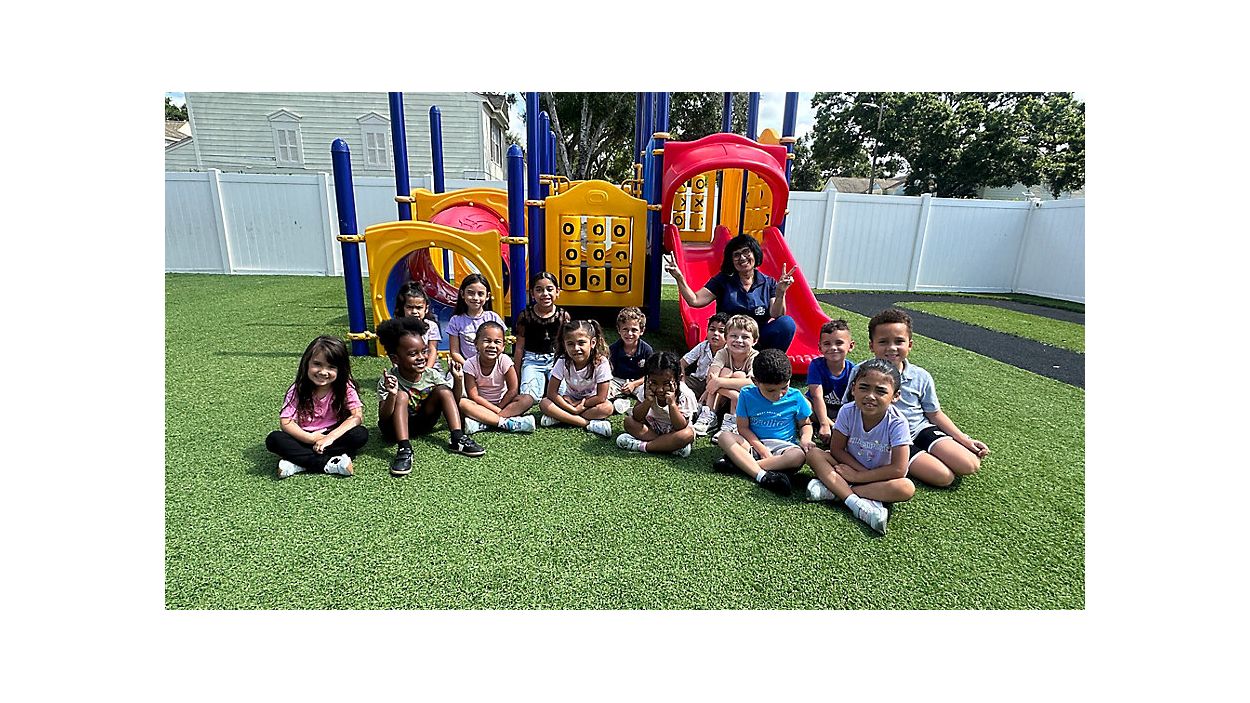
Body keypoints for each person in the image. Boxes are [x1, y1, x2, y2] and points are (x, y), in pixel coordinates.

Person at [842, 308, 989, 487]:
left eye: (899, 341)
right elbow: (849, 406)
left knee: (969, 464)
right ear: (871, 345)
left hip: (919, 429)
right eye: (883, 342)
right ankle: (903, 460)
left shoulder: (920, 376)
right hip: (890, 439)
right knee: (944, 477)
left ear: (910, 344)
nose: (891, 348)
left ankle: (928, 453)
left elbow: (934, 413)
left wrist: (963, 439)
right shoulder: (861, 371)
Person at [805, 358, 915, 534]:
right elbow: (837, 449)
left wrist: (859, 476)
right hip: (847, 468)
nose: (870, 396)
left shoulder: (898, 423)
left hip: (878, 478)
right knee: (814, 454)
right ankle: (856, 504)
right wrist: (854, 472)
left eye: (881, 391)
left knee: (906, 488)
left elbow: (898, 469)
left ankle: (835, 491)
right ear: (853, 388)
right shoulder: (847, 411)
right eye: (864, 387)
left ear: (895, 396)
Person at [377, 316, 485, 477]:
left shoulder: (431, 374)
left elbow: (453, 400)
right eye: (413, 354)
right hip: (393, 429)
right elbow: (384, 417)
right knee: (401, 395)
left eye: (424, 351)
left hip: (423, 424)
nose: (421, 357)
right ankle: (404, 448)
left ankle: (457, 438)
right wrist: (392, 395)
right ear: (395, 359)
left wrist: (458, 379)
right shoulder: (390, 380)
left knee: (443, 390)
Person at [664, 233, 798, 351]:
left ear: (755, 253)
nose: (742, 258)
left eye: (746, 252)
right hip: (729, 338)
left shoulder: (768, 282)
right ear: (731, 260)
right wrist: (679, 277)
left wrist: (780, 293)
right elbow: (695, 300)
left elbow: (777, 314)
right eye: (736, 255)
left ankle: (768, 362)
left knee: (786, 323)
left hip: (757, 337)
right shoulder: (723, 280)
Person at [712, 348, 814, 497]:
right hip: (752, 445)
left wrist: (805, 439)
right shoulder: (747, 394)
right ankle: (762, 475)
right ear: (755, 382)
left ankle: (740, 464)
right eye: (771, 390)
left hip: (783, 448)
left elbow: (805, 424)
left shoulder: (796, 397)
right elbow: (743, 428)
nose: (779, 395)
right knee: (724, 437)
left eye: (784, 387)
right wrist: (762, 450)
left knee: (798, 456)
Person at [265, 336, 369, 478]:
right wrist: (312, 438)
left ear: (340, 369)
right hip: (303, 437)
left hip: (333, 438)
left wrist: (330, 437)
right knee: (274, 439)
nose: (323, 372)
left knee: (359, 434)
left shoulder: (345, 387)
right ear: (307, 363)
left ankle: (298, 462)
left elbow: (356, 416)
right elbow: (286, 422)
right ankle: (329, 463)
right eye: (317, 364)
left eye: (331, 367)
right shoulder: (298, 389)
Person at [539, 319, 614, 437]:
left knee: (607, 408)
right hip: (569, 400)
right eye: (570, 344)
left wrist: (580, 405)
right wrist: (572, 408)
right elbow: (551, 393)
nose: (576, 348)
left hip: (591, 402)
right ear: (564, 345)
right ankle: (587, 424)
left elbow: (601, 397)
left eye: (581, 343)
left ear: (592, 343)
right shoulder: (563, 361)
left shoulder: (601, 362)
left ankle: (560, 417)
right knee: (544, 403)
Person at [459, 321, 537, 435]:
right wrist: (496, 410)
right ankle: (506, 422)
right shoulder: (470, 364)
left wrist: (500, 407)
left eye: (497, 342)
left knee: (527, 399)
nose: (492, 346)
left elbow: (513, 390)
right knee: (463, 403)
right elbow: (474, 396)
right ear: (476, 344)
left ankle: (485, 423)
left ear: (503, 346)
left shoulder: (504, 360)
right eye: (487, 341)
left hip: (504, 404)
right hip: (481, 406)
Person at [615, 351, 698, 458]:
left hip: (674, 432)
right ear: (647, 378)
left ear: (678, 379)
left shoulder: (685, 394)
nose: (660, 389)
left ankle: (643, 446)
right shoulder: (646, 389)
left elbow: (680, 426)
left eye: (666, 383)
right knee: (629, 422)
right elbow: (637, 417)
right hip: (652, 429)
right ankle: (667, 446)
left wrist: (672, 404)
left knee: (687, 434)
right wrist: (647, 401)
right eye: (654, 383)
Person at [512, 272, 571, 404]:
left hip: (556, 360)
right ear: (532, 293)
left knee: (564, 395)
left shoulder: (563, 316)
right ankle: (540, 386)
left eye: (549, 289)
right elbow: (519, 348)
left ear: (557, 291)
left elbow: (567, 345)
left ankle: (548, 388)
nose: (545, 294)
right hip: (532, 360)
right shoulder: (525, 316)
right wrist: (517, 376)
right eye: (539, 290)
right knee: (529, 397)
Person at [706, 314, 760, 442]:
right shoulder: (723, 352)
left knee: (739, 375)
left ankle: (733, 422)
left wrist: (719, 382)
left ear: (754, 341)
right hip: (724, 398)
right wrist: (733, 395)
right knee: (725, 371)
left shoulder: (755, 357)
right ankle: (709, 414)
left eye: (745, 337)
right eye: (734, 336)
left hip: (747, 403)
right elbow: (711, 378)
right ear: (726, 338)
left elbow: (752, 384)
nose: (739, 340)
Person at [393, 281, 454, 395]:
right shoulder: (398, 328)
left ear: (426, 309)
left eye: (419, 308)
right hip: (407, 368)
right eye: (409, 307)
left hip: (430, 367)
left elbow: (432, 350)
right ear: (402, 308)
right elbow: (395, 354)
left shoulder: (431, 326)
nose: (414, 312)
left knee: (444, 389)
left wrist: (426, 370)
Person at [807, 319, 857, 445]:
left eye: (839, 343)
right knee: (802, 403)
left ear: (851, 346)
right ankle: (831, 427)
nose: (833, 348)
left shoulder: (854, 370)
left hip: (841, 411)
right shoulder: (816, 365)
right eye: (827, 344)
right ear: (820, 347)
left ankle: (836, 427)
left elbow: (854, 401)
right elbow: (817, 396)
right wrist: (824, 424)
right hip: (817, 408)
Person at [445, 273, 505, 375]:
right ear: (462, 294)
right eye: (471, 293)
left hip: (491, 367)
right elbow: (455, 352)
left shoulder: (493, 318)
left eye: (480, 294)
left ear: (487, 296)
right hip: (465, 366)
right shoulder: (456, 320)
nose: (475, 298)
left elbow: (500, 346)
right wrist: (469, 367)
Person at [683, 311, 729, 435]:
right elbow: (682, 363)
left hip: (714, 386)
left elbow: (719, 378)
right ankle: (688, 407)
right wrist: (682, 383)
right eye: (712, 329)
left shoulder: (728, 352)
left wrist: (706, 392)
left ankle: (708, 414)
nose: (715, 334)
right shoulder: (703, 346)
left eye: (721, 331)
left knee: (720, 389)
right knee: (678, 384)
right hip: (697, 381)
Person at [608, 306, 654, 415]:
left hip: (638, 382)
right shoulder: (613, 349)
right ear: (619, 330)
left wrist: (633, 384)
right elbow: (607, 372)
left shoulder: (647, 350)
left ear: (641, 331)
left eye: (634, 330)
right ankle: (616, 404)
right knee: (604, 390)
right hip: (617, 380)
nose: (629, 334)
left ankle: (637, 409)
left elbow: (650, 374)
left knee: (650, 392)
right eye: (625, 329)